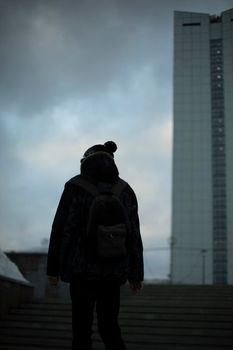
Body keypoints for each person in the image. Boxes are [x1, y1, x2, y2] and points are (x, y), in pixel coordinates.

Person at [47, 141, 144, 350]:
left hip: (81, 272)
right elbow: (134, 235)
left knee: (81, 330)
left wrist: (53, 269)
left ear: (85, 161)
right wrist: (136, 274)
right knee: (109, 328)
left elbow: (61, 228)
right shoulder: (125, 190)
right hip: (114, 271)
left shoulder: (75, 186)